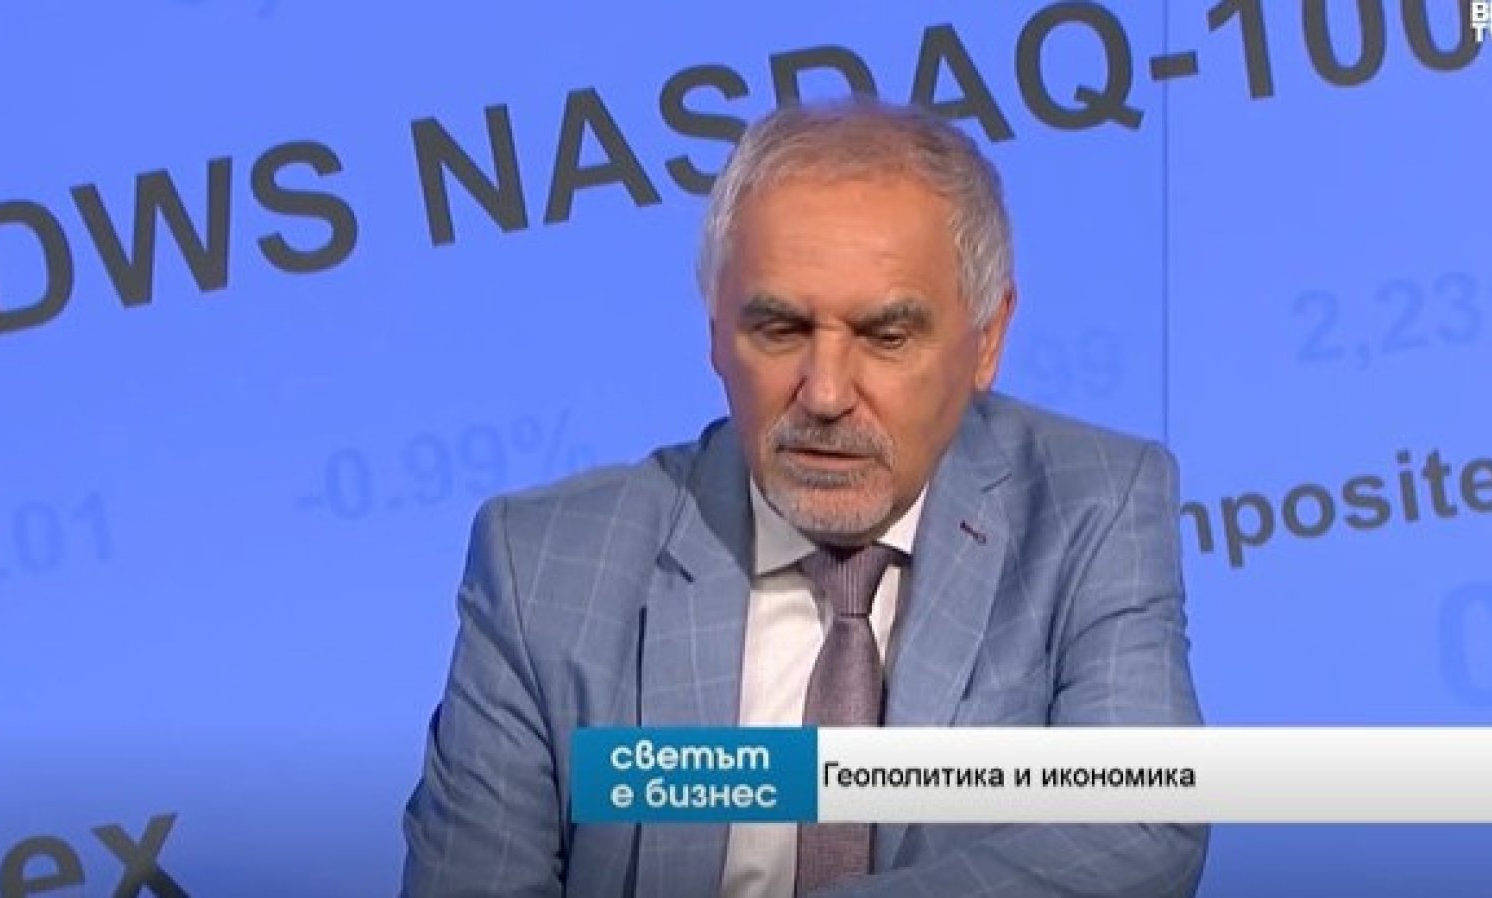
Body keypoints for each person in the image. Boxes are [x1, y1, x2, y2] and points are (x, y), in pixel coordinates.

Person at [399, 97, 1207, 898]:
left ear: (987, 339)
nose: (824, 393)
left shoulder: (1092, 506)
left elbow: (1139, 825)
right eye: (780, 330)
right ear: (715, 331)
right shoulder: (543, 566)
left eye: (886, 336)